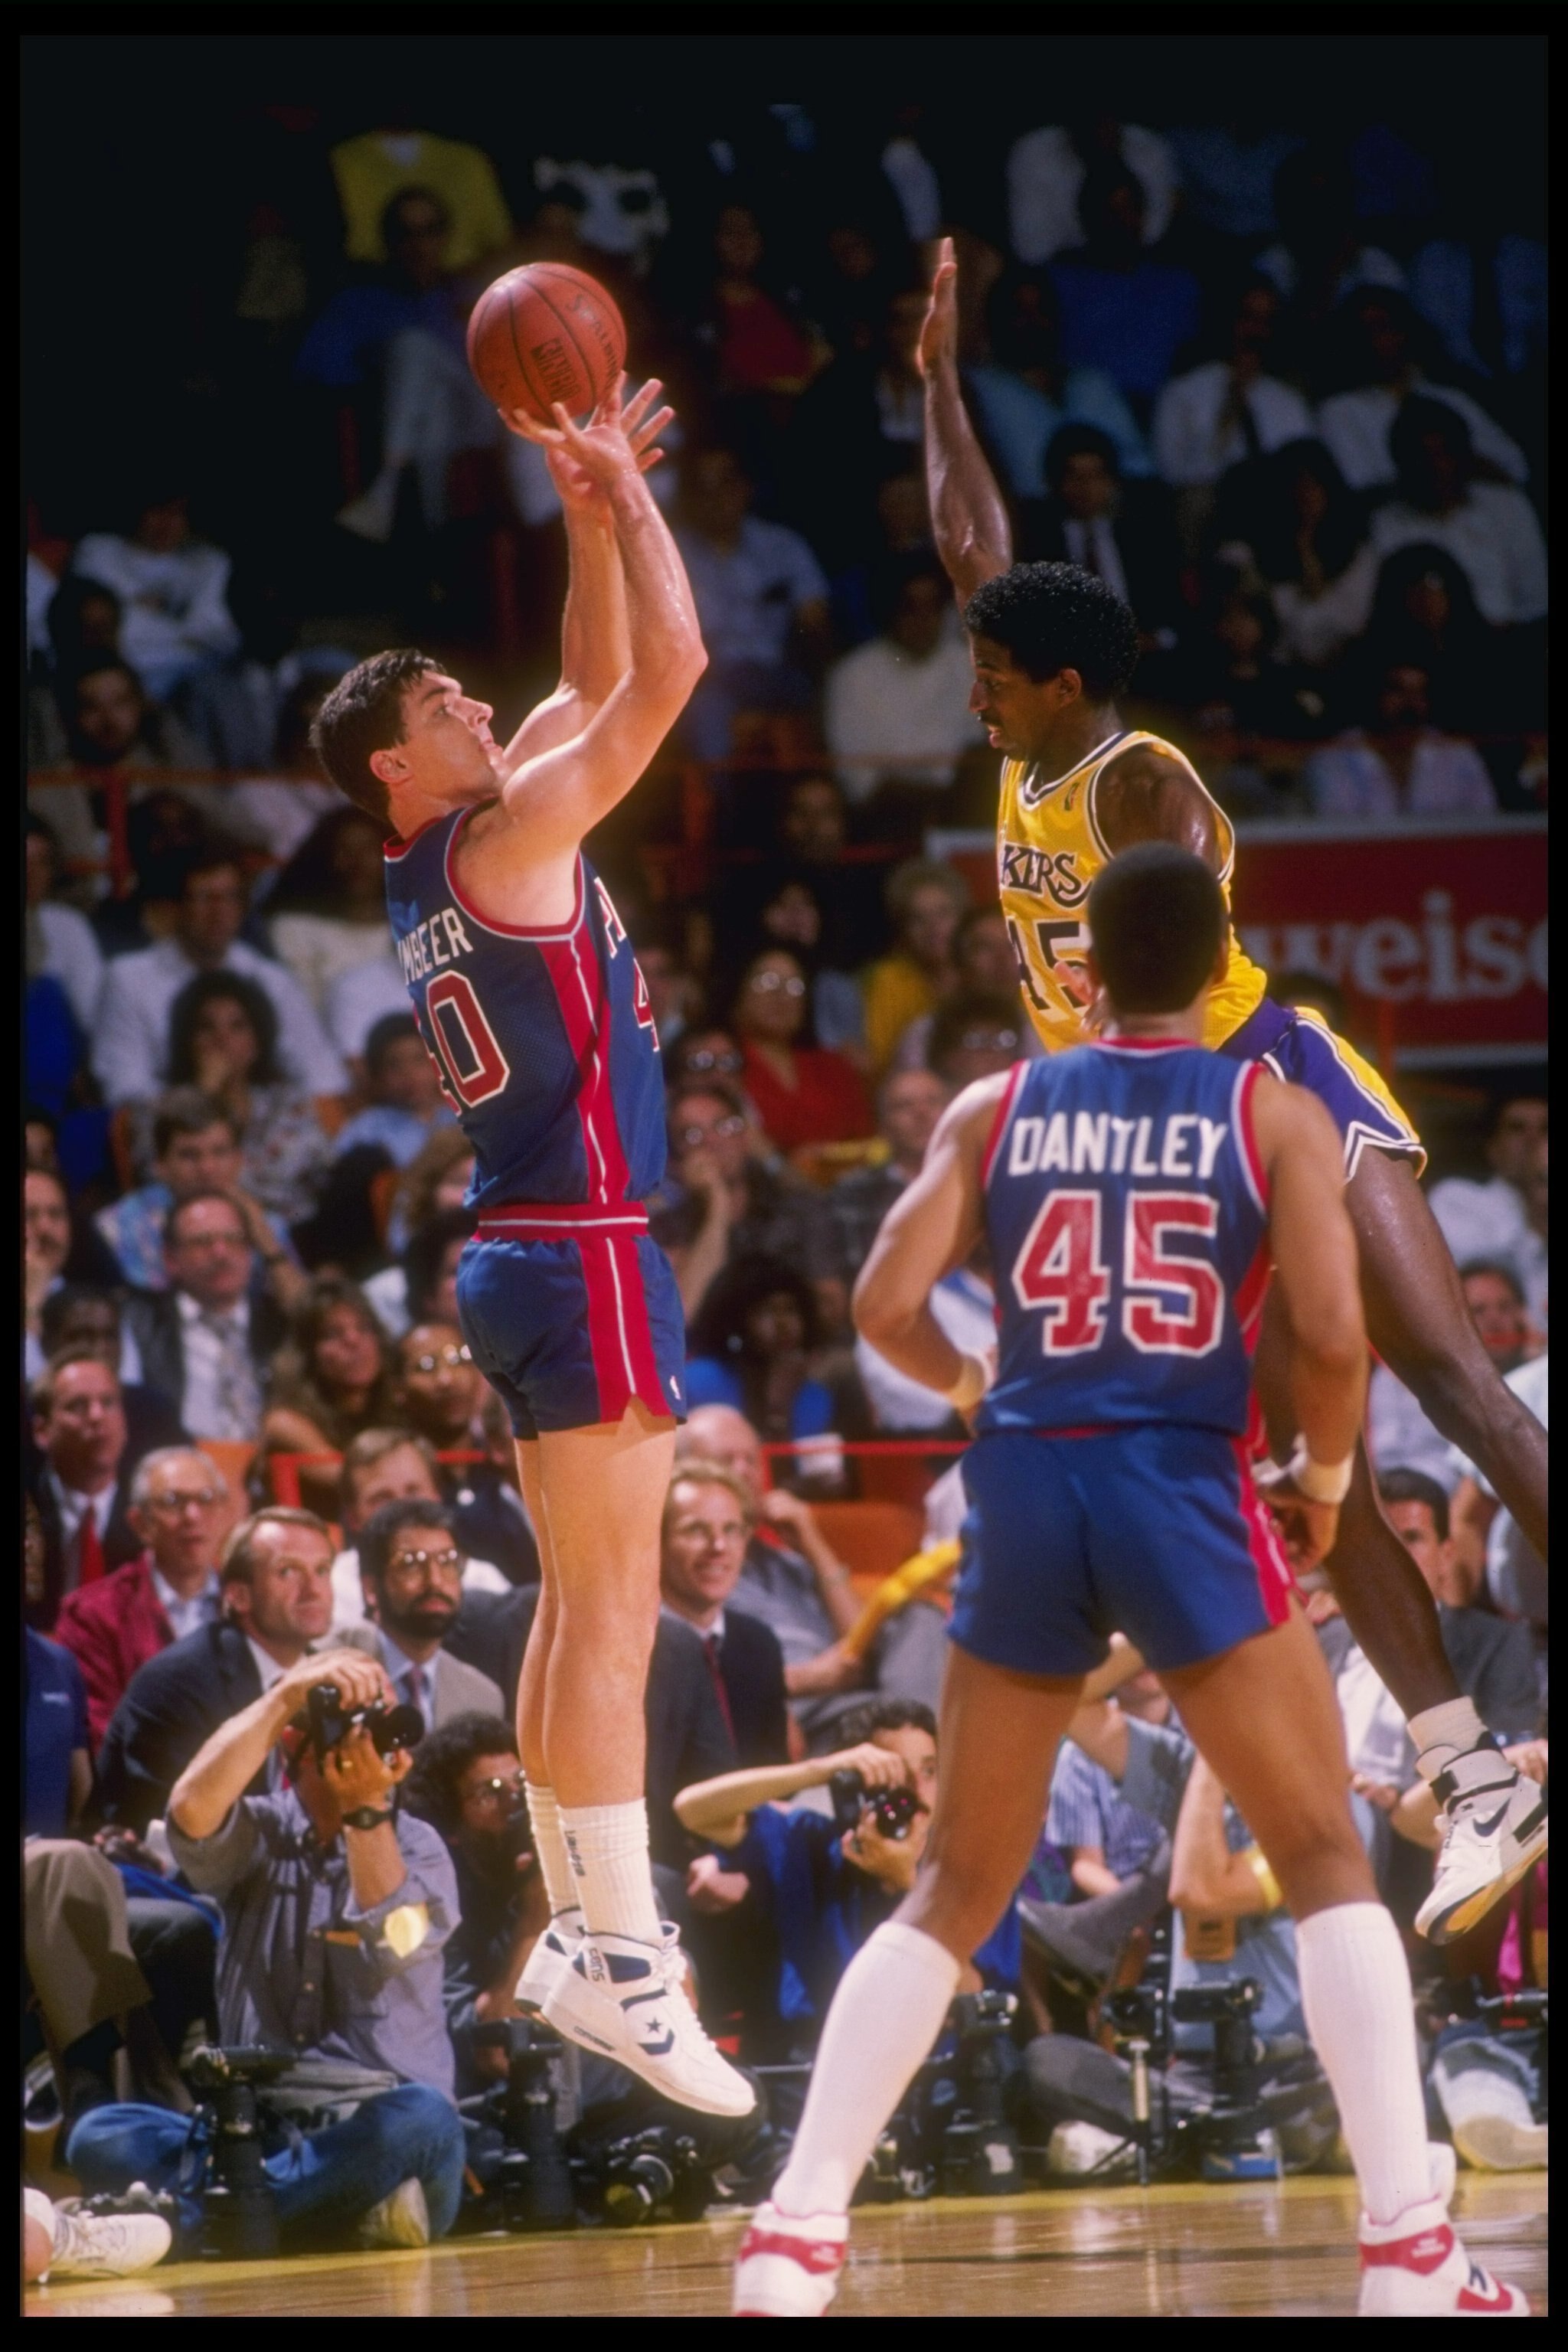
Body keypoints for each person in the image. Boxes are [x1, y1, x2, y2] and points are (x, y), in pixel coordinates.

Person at [733, 842, 1530, 2318]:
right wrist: (1325, 1486)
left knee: (959, 1884)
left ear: (1078, 970)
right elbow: (1338, 1342)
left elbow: (879, 1307)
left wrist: (974, 1377)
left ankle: (792, 2231)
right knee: (1322, 1854)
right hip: (1180, 1474)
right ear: (1217, 959)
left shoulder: (993, 1104)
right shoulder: (1270, 1106)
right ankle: (1412, 2250)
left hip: (1027, 1479)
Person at [915, 235, 1547, 1940]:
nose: (966, 682)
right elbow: (973, 542)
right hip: (1150, 1129)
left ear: (1062, 684)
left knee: (1462, 1390)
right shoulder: (1030, 728)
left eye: (992, 673)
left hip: (1258, 1080)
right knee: (1305, 1470)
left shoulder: (1136, 778)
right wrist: (936, 385)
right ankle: (1471, 1775)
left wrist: (1149, 997)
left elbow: (1184, 874)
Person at [307, 377, 750, 2116]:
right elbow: (669, 672)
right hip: (577, 1240)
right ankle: (624, 1952)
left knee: (584, 1603)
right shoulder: (508, 836)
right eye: (442, 699)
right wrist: (637, 496)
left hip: (529, 1242)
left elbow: (580, 674)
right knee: (615, 1617)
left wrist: (577, 504)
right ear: (393, 766)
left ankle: (583, 1932)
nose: (479, 698)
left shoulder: (448, 852)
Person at [70, 1643, 467, 2251]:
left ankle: (202, 2220)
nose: (372, 1746)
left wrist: (365, 1812)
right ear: (291, 1746)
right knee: (101, 2133)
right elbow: (190, 1811)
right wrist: (286, 1696)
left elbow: (394, 1943)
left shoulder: (421, 1847)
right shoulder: (259, 1830)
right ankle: (328, 2211)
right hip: (253, 2124)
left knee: (427, 2121)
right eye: (349, 1729)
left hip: (374, 2115)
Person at [680, 1698, 1018, 2059]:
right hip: (812, 2057)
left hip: (928, 2065)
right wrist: (819, 1769)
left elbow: (974, 1998)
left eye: (930, 1771)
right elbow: (693, 1810)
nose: (917, 1791)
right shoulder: (809, 1841)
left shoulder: (968, 1867)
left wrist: (906, 1885)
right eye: (897, 1774)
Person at [675, 1403, 948, 1743]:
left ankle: (917, 1738)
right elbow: (700, 1679)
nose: (743, 1473)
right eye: (726, 1461)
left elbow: (858, 1637)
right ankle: (921, 1744)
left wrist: (815, 1546)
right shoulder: (688, 1569)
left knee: (921, 1614)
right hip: (795, 1712)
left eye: (751, 1460)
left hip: (857, 1699)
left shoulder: (787, 1561)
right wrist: (810, 1678)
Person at [93, 1506, 338, 1834]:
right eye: (288, 1572)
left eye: (322, 1570)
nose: (313, 1589)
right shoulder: (181, 1681)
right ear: (238, 1597)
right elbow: (184, 1829)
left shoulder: (328, 1676)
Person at [91, 842, 347, 1109]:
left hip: (263, 1126)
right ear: (175, 908)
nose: (218, 913)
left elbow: (324, 1077)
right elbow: (124, 1089)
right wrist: (203, 1099)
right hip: (170, 1130)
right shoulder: (128, 978)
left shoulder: (269, 979)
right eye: (204, 897)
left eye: (230, 897)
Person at [399, 1710, 550, 2096]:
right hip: (495, 2111)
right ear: (451, 1829)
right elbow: (499, 2052)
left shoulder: (567, 1869)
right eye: (490, 1793)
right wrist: (536, 1917)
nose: (515, 1803)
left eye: (520, 1783)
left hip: (608, 2094)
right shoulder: (433, 1911)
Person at [53, 1446, 230, 1746]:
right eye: (173, 1502)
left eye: (205, 1499)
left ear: (225, 1513)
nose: (192, 1516)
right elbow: (100, 1734)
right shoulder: (93, 1613)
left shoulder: (250, 1602)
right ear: (140, 1524)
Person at [673, 445, 829, 764]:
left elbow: (816, 619)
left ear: (745, 488)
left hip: (779, 673)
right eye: (706, 489)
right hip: (709, 680)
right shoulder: (674, 551)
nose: (717, 499)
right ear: (692, 498)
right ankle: (725, 811)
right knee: (707, 718)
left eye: (726, 485)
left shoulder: (782, 545)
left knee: (828, 697)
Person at [95, 1087, 302, 1305]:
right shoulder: (117, 1226)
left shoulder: (267, 1224)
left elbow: (304, 1315)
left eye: (220, 1152)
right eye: (189, 1155)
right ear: (160, 1165)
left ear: (238, 1161)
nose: (207, 1169)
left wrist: (267, 1244)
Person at [164, 969, 335, 1228]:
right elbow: (164, 1177)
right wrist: (205, 1092)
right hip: (205, 1228)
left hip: (298, 1231)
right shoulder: (163, 1109)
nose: (222, 1040)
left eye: (237, 1027)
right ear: (188, 1042)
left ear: (257, 1043)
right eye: (206, 1028)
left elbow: (308, 1176)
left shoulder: (289, 1103)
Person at [965, 264, 1149, 505]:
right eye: (1020, 312)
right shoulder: (978, 387)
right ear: (997, 320)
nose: (1033, 322)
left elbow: (1140, 466)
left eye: (1041, 311)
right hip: (1030, 520)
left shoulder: (1093, 383)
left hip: (1113, 516)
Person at [122, 1191, 289, 1446]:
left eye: (233, 1240)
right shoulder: (140, 1323)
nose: (221, 1253)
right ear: (171, 1259)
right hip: (184, 1467)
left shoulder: (279, 1323)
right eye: (202, 1242)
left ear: (249, 1252)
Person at [1367, 397, 1547, 630]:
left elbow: (1536, 601)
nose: (1436, 467)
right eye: (1422, 457)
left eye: (1444, 453)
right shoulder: (1385, 524)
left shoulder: (1508, 506)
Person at [824, 557, 980, 811]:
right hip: (885, 813)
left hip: (960, 811)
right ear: (890, 611)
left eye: (933, 607)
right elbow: (858, 781)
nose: (923, 619)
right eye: (911, 607)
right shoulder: (852, 675)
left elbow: (981, 757)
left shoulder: (970, 667)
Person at [659, 1465, 790, 1767]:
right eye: (696, 1530)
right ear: (658, 1542)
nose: (718, 1547)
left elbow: (774, 1773)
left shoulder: (759, 1644)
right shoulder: (635, 1649)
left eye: (731, 1530)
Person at [339, 1496, 507, 1728]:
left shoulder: (482, 1698)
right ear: (371, 1588)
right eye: (411, 1564)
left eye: (447, 1561)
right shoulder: (332, 1672)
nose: (435, 1582)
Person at [390, 1321, 538, 1583]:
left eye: (460, 1359)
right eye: (427, 1365)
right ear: (398, 1389)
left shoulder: (508, 1457)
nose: (447, 1379)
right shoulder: (397, 1475)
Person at [328, 1426, 513, 1633]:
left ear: (437, 1498)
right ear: (352, 1517)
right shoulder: (332, 1589)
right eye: (382, 1498)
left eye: (413, 1492)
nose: (403, 1510)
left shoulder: (483, 1581)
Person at [1152, 278, 1314, 492]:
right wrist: (1227, 418)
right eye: (1248, 318)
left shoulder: (1288, 402)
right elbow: (1172, 475)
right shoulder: (1183, 393)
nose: (1255, 332)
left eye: (1266, 321)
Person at [258, 1276, 398, 1511]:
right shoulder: (284, 1423)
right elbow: (359, 1484)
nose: (353, 1341)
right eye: (333, 1334)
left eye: (364, 1328)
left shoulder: (398, 1407)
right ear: (308, 1354)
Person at [28, 1349, 145, 1627]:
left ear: (125, 1423)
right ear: (42, 1432)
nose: (96, 1416)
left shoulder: (148, 1520)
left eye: (108, 1402)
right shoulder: (29, 1511)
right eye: (78, 1406)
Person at [1304, 655, 1497, 822]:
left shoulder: (1459, 755)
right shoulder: (1334, 758)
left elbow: (1485, 826)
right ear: (1375, 693)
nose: (1410, 705)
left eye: (1419, 693)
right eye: (1398, 691)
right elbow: (1336, 837)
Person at [731, 949, 872, 1156]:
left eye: (794, 986)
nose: (781, 996)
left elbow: (865, 1139)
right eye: (768, 982)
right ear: (740, 991)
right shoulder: (724, 1063)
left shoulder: (835, 1068)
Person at [263, 805, 395, 1012]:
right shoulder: (294, 929)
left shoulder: (413, 927)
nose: (357, 863)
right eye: (345, 850)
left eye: (368, 849)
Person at [1426, 1094, 1547, 1320]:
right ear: (1493, 1146)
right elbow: (1484, 1268)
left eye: (1545, 1129)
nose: (1534, 1140)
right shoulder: (1457, 1198)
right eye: (1517, 1128)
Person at [828, 1067, 951, 1286]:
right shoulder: (853, 1193)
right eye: (905, 1106)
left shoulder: (982, 1184)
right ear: (883, 1124)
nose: (922, 1114)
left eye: (933, 1102)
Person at [860, 857, 970, 1077]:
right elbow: (879, 1062)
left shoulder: (981, 972)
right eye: (918, 919)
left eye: (943, 913)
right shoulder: (890, 979)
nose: (933, 928)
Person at [331, 1012, 456, 1168]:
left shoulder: (459, 1116)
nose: (409, 1075)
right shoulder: (367, 1129)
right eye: (394, 1065)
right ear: (377, 1076)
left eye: (418, 1060)